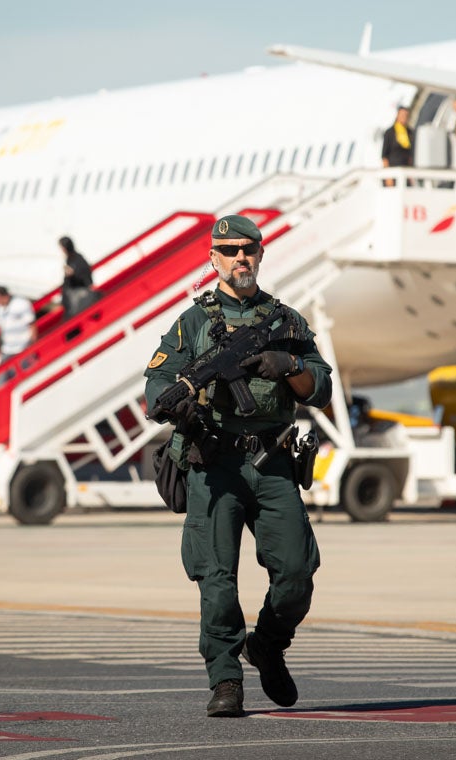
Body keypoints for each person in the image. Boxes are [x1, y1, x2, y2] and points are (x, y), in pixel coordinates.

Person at [143, 214, 333, 718]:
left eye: (248, 250)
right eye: (228, 252)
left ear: (261, 255)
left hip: (272, 463)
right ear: (214, 260)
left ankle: (268, 643)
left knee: (296, 571)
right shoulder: (194, 323)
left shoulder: (285, 321)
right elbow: (156, 387)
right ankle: (225, 678)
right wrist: (175, 401)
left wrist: (288, 366)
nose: (239, 259)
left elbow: (323, 387)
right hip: (215, 463)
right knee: (217, 579)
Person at [0, 286, 36, 363]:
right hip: (7, 348)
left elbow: (32, 324)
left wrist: (32, 343)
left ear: (4, 296)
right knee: (2, 373)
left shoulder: (21, 303)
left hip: (23, 346)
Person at [59, 236, 95, 317]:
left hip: (79, 296)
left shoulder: (77, 258)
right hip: (73, 296)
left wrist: (73, 274)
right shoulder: (70, 259)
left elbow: (86, 277)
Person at [381, 106, 414, 186]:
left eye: (406, 115)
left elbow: (410, 156)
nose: (404, 117)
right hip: (392, 173)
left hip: (406, 172)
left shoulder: (410, 133)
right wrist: (388, 176)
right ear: (397, 115)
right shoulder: (390, 132)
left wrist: (411, 176)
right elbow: (384, 156)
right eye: (402, 115)